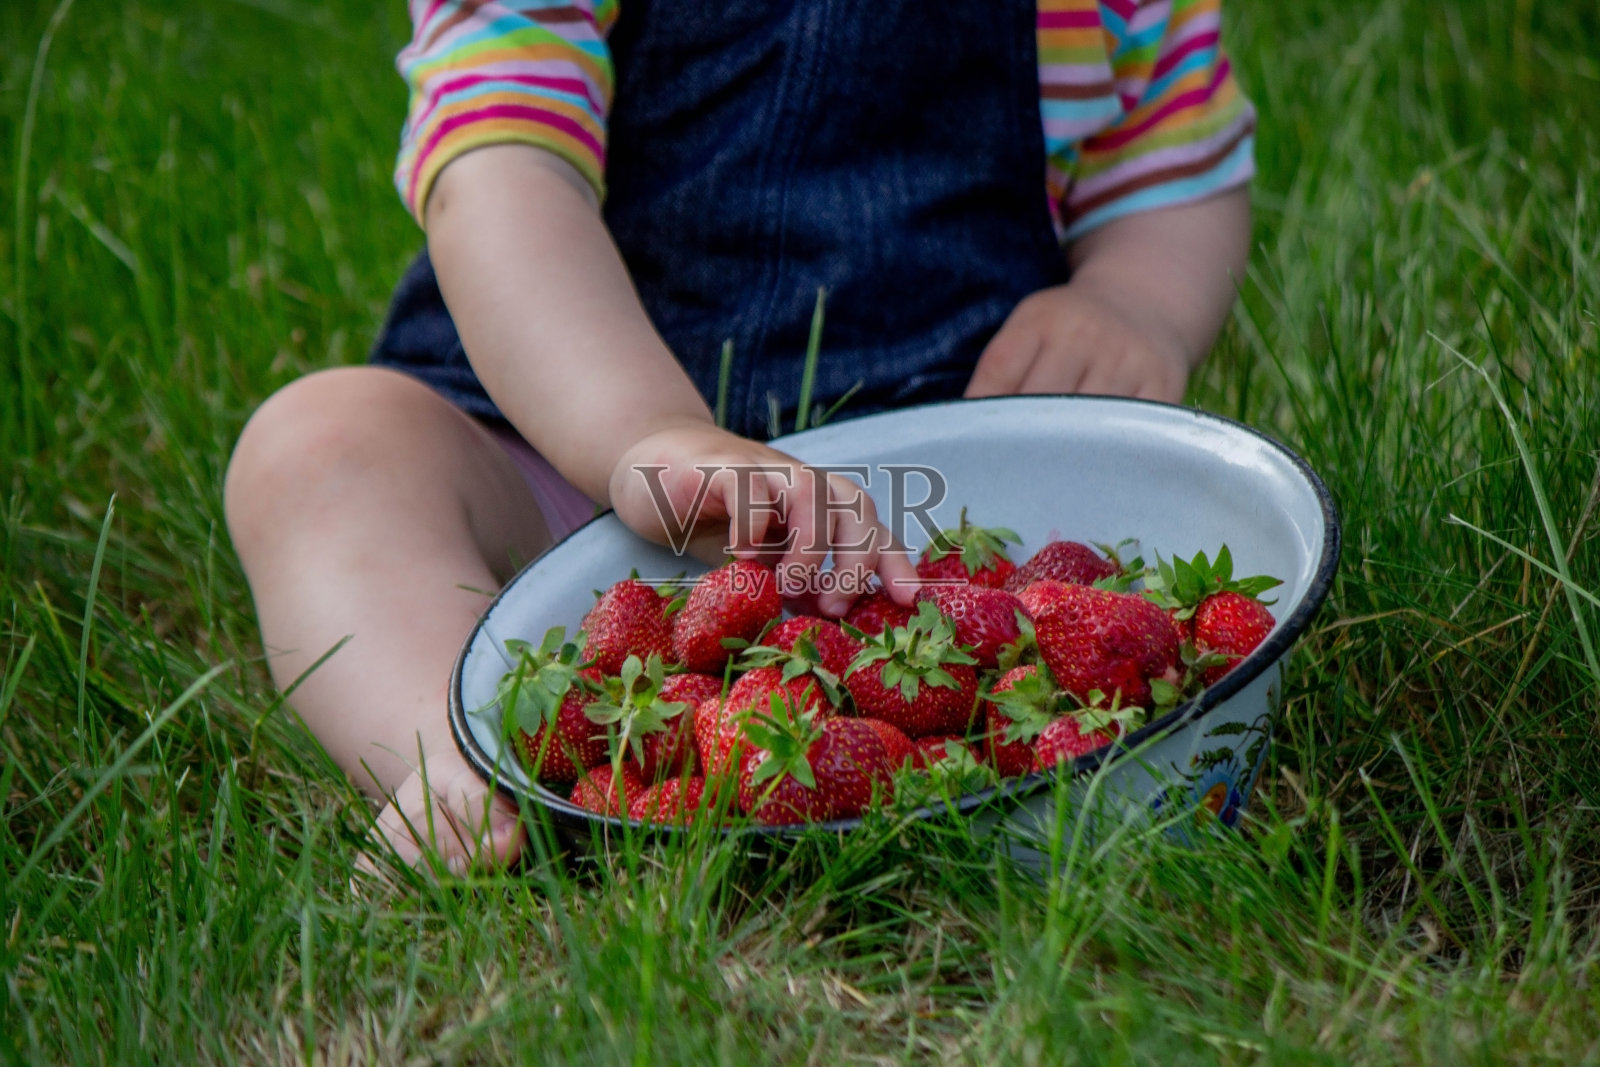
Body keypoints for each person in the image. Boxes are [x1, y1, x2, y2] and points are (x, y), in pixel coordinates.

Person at [223, 0, 1255, 872]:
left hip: (927, 514)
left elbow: (1171, 162)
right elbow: (500, 164)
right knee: (319, 449)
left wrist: (1133, 303)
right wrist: (644, 429)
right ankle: (469, 743)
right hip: (571, 459)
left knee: (1153, 516)